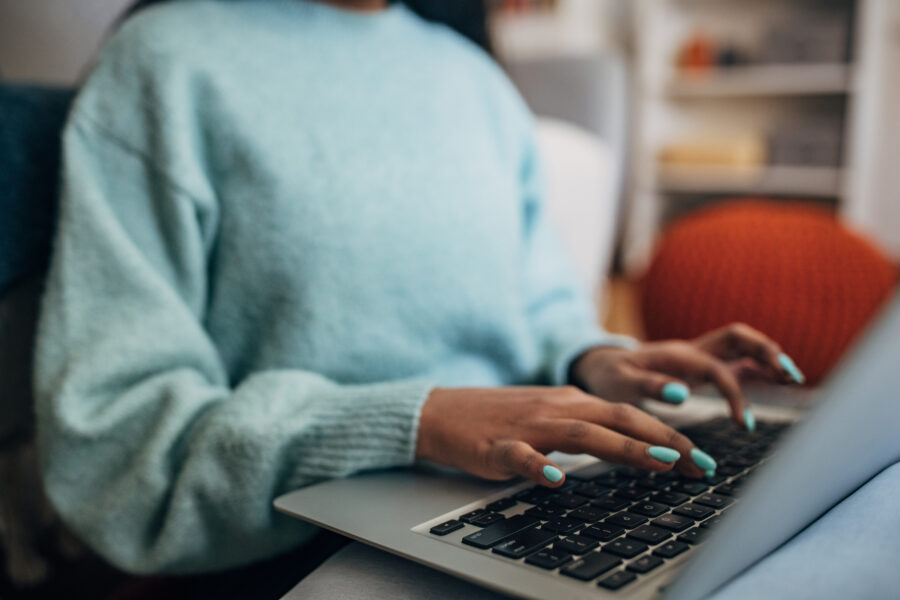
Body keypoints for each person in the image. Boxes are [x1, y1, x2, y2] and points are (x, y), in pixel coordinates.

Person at [34, 0, 805, 585]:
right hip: (294, 538)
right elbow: (115, 441)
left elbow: (539, 303)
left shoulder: (471, 76)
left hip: (529, 496)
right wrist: (417, 420)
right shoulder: (164, 61)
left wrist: (596, 357)